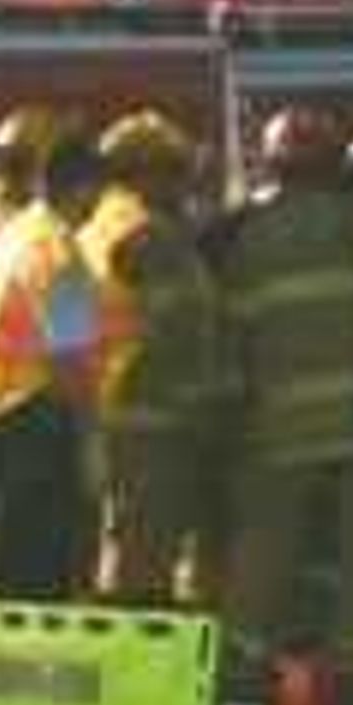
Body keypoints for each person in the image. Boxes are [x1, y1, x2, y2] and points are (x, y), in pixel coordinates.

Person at [217, 105, 353, 705]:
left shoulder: (245, 235)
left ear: (270, 164)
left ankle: (240, 683)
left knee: (264, 555)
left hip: (280, 424)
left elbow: (231, 332)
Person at [0, 130, 108, 601]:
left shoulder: (17, 232)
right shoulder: (60, 251)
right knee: (40, 568)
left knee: (5, 560)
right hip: (34, 416)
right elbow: (70, 357)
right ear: (84, 188)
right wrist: (91, 439)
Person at [80, 110, 227, 607]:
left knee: (124, 545)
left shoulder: (100, 224)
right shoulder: (150, 236)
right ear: (144, 172)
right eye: (174, 170)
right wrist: (212, 410)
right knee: (148, 558)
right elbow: (182, 335)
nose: (183, 184)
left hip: (114, 411)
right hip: (155, 418)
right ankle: (139, 664)